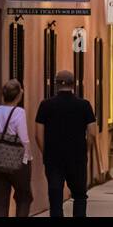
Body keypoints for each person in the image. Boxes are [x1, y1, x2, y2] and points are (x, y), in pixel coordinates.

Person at [35, 69, 97, 217]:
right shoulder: (84, 105)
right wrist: (85, 150)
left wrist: (46, 153)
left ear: (56, 85)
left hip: (54, 158)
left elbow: (37, 134)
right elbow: (92, 133)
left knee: (55, 198)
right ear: (73, 84)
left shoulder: (45, 105)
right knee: (80, 196)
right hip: (77, 158)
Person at [0, 79, 33, 217]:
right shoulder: (19, 112)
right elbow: (24, 139)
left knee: (0, 202)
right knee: (24, 198)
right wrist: (27, 158)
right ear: (18, 96)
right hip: (17, 163)